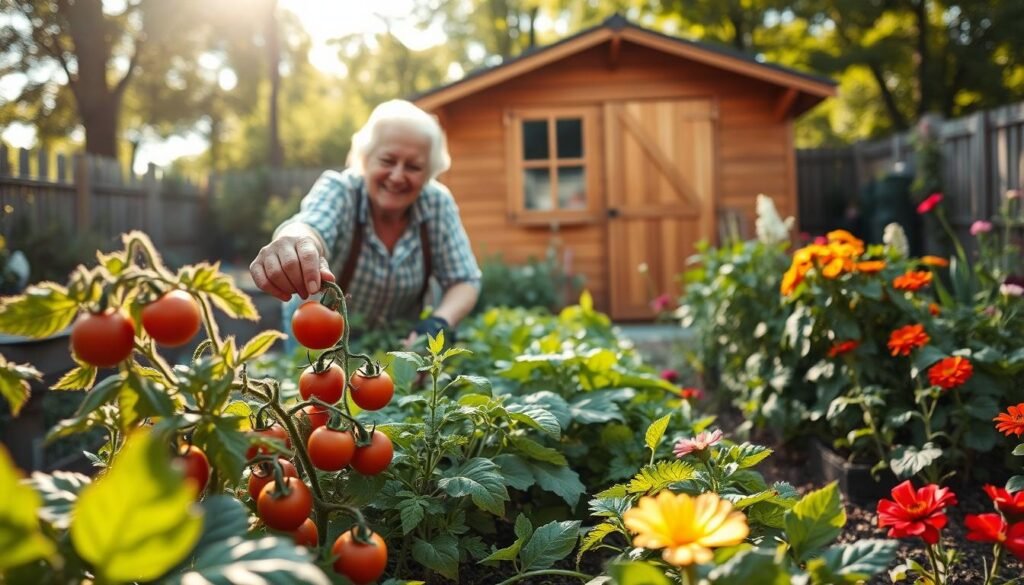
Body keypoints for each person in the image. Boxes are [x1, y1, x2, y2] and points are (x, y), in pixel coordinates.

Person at [250, 99, 481, 347]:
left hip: (397, 338)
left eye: (413, 166)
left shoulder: (437, 204)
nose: (397, 176)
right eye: (387, 161)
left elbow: (464, 279)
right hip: (320, 334)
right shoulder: (341, 191)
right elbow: (310, 226)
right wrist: (296, 241)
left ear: (429, 173)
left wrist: (439, 322)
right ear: (366, 158)